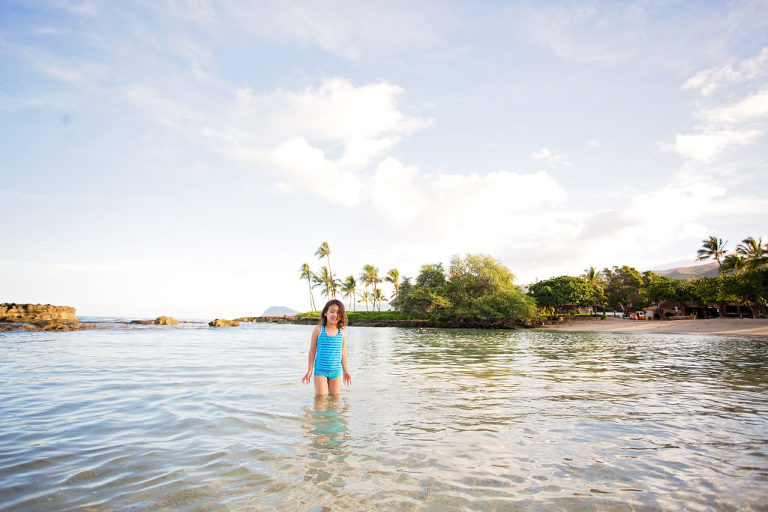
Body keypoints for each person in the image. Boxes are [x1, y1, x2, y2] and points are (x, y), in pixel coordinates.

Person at [302, 299, 352, 396]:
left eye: (338, 313)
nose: (335, 315)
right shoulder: (318, 330)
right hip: (320, 370)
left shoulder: (342, 332)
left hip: (336, 371)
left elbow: (343, 353)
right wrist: (309, 370)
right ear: (325, 313)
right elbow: (312, 351)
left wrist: (346, 371)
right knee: (320, 399)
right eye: (332, 311)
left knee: (334, 400)